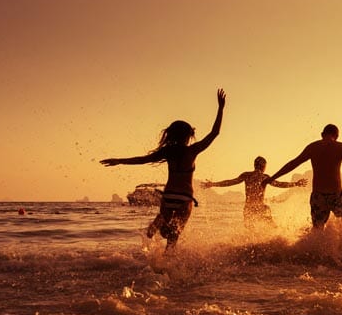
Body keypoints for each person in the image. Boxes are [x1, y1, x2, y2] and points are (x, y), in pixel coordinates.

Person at [101, 88, 226, 252]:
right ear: (188, 135)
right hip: (184, 198)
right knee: (173, 238)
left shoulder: (167, 152)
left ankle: (146, 253)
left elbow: (141, 160)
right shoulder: (192, 151)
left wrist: (119, 161)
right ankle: (166, 265)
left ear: (172, 135)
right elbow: (215, 132)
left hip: (168, 196)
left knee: (153, 230)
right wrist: (220, 108)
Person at [263, 124, 342, 247]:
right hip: (336, 195)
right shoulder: (340, 147)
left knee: (317, 229)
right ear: (336, 136)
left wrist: (272, 178)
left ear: (322, 134)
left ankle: (317, 255)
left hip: (318, 197)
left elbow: (293, 163)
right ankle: (341, 248)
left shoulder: (312, 147)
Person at [201, 156, 307, 230]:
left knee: (250, 233)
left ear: (254, 165)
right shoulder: (264, 177)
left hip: (248, 208)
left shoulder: (246, 175)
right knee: (272, 228)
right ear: (264, 166)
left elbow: (230, 182)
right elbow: (280, 184)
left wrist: (213, 184)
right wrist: (296, 183)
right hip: (261, 207)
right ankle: (277, 244)